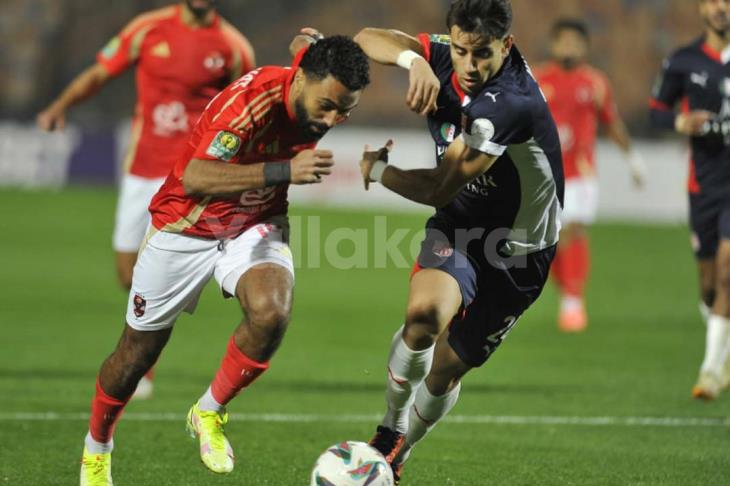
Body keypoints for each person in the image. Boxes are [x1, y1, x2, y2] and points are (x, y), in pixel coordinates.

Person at [78, 35, 370, 485]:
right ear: (302, 81)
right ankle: (97, 450)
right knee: (136, 355)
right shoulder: (249, 102)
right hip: (187, 225)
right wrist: (283, 171)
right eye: (327, 105)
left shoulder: (311, 78)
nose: (332, 119)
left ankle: (208, 412)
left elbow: (304, 46)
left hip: (256, 219)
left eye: (344, 111)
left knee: (272, 311)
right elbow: (195, 177)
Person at [354, 0, 563, 482]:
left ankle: (403, 450)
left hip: (520, 254)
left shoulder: (509, 104)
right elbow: (368, 37)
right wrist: (415, 61)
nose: (470, 65)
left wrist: (380, 171)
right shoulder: (448, 54)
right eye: (462, 50)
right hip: (463, 227)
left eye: (482, 54)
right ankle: (389, 430)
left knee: (445, 370)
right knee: (424, 317)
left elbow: (437, 188)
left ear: (506, 46)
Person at [37, 0, 255, 400]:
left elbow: (245, 107)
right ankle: (156, 324)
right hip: (141, 167)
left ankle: (143, 365)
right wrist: (61, 105)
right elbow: (100, 73)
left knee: (156, 272)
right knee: (127, 272)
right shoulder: (148, 29)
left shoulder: (233, 47)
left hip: (191, 175)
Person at [534, 19, 646, 332]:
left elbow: (612, 123)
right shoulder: (537, 80)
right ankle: (566, 291)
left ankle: (573, 302)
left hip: (581, 173)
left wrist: (633, 159)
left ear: (585, 46)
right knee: (550, 242)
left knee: (575, 231)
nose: (568, 47)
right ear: (553, 45)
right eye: (563, 41)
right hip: (542, 175)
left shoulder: (595, 82)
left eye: (575, 42)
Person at [649, 0, 730, 400]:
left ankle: (711, 370)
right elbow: (656, 111)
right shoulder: (683, 61)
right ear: (702, 8)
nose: (722, 8)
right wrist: (680, 122)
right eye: (715, 0)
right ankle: (723, 343)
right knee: (710, 288)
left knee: (728, 273)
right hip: (705, 187)